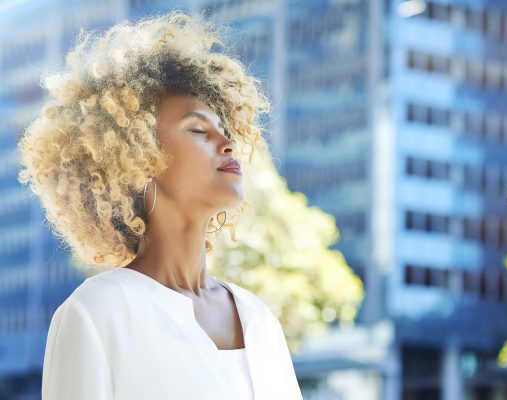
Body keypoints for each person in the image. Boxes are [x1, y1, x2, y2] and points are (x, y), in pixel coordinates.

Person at [17, 10, 303, 400]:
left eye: (225, 130)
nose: (227, 143)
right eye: (198, 130)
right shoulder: (98, 312)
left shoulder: (259, 318)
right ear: (138, 158)